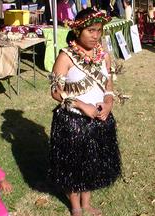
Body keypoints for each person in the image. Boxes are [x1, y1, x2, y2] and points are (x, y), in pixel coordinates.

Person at [48, 8, 122, 216]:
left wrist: (108, 103)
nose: (95, 35)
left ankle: (87, 203)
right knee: (74, 165)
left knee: (91, 162)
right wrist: (81, 105)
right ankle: (76, 207)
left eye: (98, 30)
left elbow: (108, 85)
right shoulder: (66, 57)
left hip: (100, 119)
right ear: (78, 30)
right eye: (90, 30)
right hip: (73, 121)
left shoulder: (104, 56)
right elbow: (55, 92)